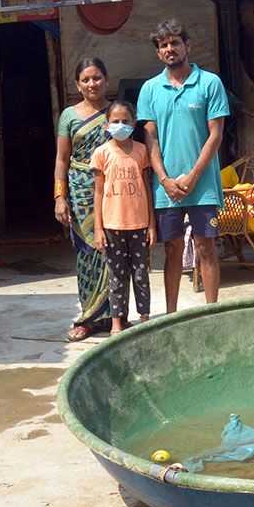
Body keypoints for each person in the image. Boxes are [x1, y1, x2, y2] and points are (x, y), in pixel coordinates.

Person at [137, 20, 230, 313]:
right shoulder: (150, 89)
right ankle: (171, 315)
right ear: (158, 53)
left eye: (175, 43)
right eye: (163, 45)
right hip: (166, 188)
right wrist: (164, 180)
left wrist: (192, 177)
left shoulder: (210, 83)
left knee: (206, 248)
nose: (170, 49)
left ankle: (211, 313)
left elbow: (215, 136)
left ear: (187, 46)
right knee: (173, 250)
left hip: (202, 187)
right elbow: (150, 137)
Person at [54, 57, 113, 341]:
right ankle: (88, 318)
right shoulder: (69, 115)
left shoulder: (116, 113)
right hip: (80, 192)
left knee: (114, 251)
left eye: (97, 77)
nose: (92, 84)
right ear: (78, 85)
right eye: (86, 79)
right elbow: (62, 159)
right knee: (87, 255)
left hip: (113, 190)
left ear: (107, 79)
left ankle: (115, 317)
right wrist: (60, 197)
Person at [92, 101, 156, 334]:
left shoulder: (141, 151)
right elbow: (98, 192)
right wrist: (98, 229)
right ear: (107, 124)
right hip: (111, 225)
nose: (121, 125)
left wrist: (151, 224)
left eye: (126, 121)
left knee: (141, 274)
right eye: (115, 121)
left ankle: (145, 318)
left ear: (133, 123)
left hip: (139, 224)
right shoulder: (101, 153)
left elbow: (147, 187)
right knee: (116, 275)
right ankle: (117, 322)